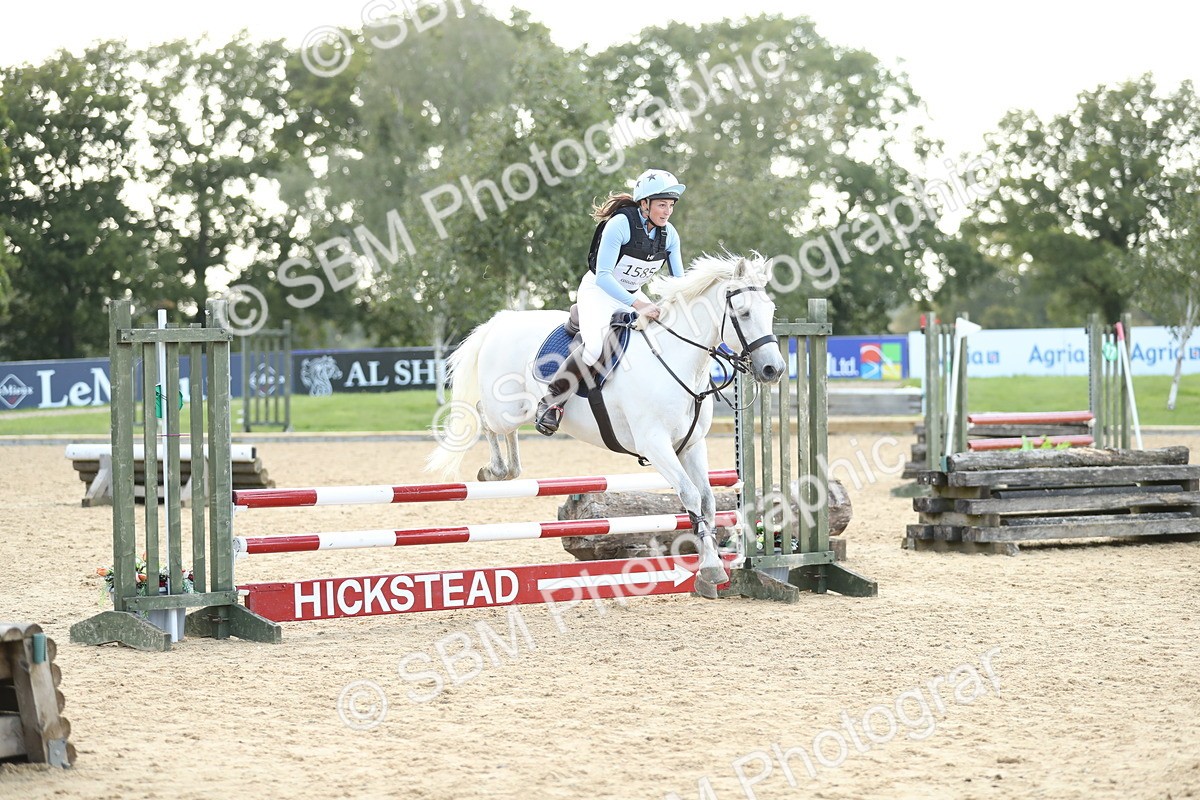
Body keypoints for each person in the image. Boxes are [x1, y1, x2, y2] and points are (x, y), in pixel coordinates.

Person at [535, 168, 686, 435]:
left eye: (671, 205)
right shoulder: (620, 224)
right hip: (598, 290)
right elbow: (604, 276)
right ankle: (552, 401)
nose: (667, 211)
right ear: (645, 203)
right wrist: (639, 305)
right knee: (594, 349)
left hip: (631, 292)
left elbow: (679, 283)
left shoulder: (670, 235)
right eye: (662, 204)